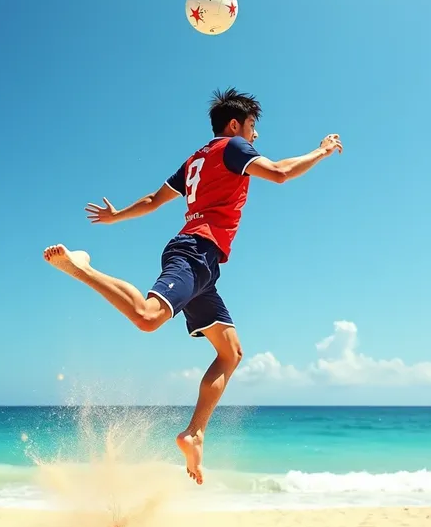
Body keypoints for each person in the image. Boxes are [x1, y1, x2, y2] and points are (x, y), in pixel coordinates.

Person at [43, 88, 342, 485]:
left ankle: (194, 432)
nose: (254, 137)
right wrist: (321, 151)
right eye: (253, 127)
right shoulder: (232, 147)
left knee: (231, 353)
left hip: (204, 265)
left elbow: (153, 200)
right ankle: (82, 268)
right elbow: (281, 172)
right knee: (148, 317)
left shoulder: (195, 160)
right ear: (235, 125)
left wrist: (116, 218)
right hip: (195, 252)